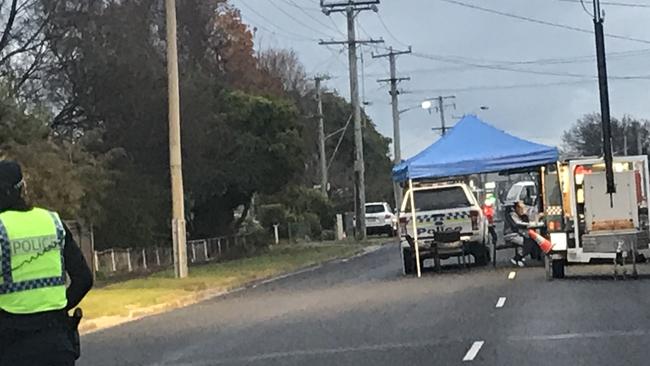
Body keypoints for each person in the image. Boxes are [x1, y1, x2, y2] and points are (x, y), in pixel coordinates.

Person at [0, 161, 93, 366]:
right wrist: (59, 311)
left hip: (10, 347)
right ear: (22, 188)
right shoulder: (53, 222)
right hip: (56, 344)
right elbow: (84, 279)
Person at [504, 200, 544, 267]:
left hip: (517, 234)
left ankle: (520, 257)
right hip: (511, 235)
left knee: (531, 241)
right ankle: (517, 258)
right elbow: (517, 224)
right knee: (529, 242)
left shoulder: (515, 213)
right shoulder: (511, 214)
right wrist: (529, 224)